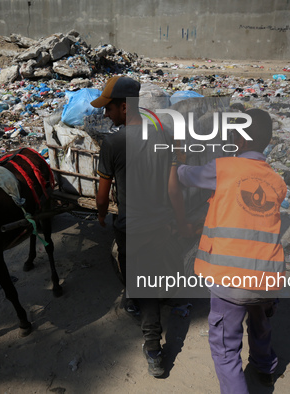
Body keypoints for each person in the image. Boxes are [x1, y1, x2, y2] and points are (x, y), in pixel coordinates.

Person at [177, 108, 286, 393]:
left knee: (225, 348)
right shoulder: (277, 182)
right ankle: (265, 368)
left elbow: (188, 177)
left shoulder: (223, 168)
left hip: (230, 277)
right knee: (260, 323)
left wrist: (177, 164)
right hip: (267, 277)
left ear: (239, 140)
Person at [92, 76, 187, 377]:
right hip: (162, 223)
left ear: (124, 107)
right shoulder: (164, 136)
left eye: (108, 109)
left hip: (133, 225)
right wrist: (180, 221)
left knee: (143, 286)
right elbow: (174, 189)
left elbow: (103, 194)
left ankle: (154, 351)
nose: (105, 115)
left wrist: (101, 214)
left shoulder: (113, 142)